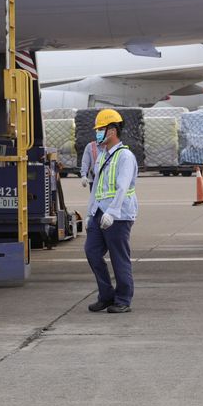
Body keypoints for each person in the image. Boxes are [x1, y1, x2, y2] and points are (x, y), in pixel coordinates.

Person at [83, 109, 137, 314]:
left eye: (100, 129)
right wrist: (90, 213)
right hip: (99, 213)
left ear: (112, 131)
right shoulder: (103, 155)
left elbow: (122, 188)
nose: (97, 133)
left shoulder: (125, 156)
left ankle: (123, 299)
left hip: (119, 215)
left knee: (118, 257)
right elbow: (96, 186)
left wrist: (112, 213)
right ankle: (106, 295)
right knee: (92, 252)